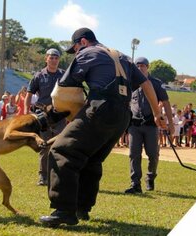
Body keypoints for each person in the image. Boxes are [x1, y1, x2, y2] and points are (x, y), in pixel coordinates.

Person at [39, 28, 164, 227]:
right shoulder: (121, 56)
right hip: (123, 114)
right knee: (92, 157)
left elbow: (63, 90)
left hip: (101, 108)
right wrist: (157, 114)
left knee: (61, 151)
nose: (76, 52)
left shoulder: (87, 54)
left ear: (83, 41)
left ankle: (64, 210)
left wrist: (57, 114)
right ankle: (82, 208)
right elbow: (147, 84)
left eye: (76, 48)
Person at [124, 57, 174, 194]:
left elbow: (166, 102)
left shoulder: (156, 83)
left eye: (143, 66)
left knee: (153, 154)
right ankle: (135, 184)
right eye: (138, 66)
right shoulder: (130, 83)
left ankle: (150, 177)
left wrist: (170, 123)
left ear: (148, 67)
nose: (140, 68)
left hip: (151, 125)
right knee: (134, 154)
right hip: (134, 125)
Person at [24, 48, 66, 186]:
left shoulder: (64, 75)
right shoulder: (38, 76)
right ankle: (43, 176)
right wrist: (26, 112)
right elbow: (29, 94)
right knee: (45, 145)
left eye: (56, 58)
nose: (54, 60)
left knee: (60, 145)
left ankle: (58, 175)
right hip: (43, 116)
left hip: (59, 114)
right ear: (46, 58)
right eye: (51, 57)